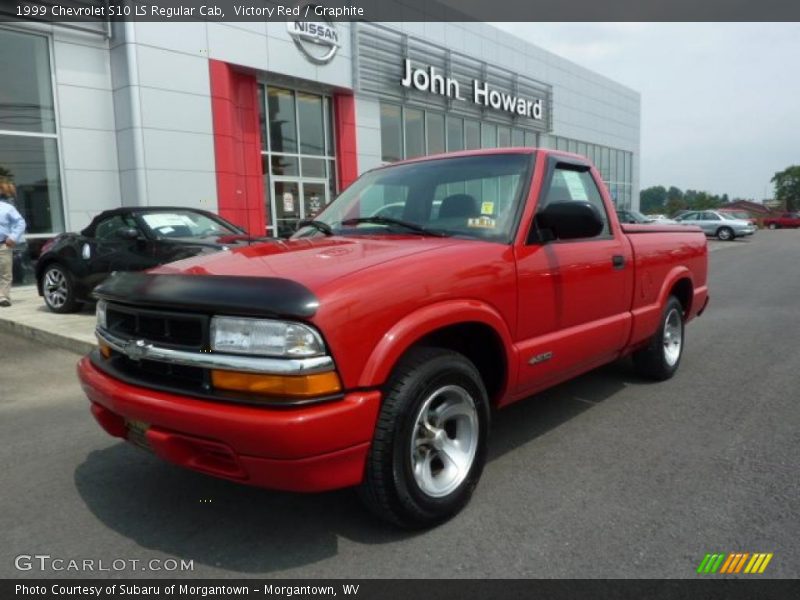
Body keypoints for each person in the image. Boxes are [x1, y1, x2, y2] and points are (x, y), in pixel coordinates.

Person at [0, 181, 26, 307]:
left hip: (3, 245)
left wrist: (13, 237)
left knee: (5, 272)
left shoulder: (7, 208)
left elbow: (20, 223)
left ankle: (3, 297)